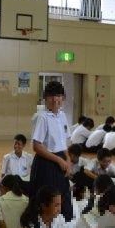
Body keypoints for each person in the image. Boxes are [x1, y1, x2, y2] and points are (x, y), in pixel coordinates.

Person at [28, 81, 75, 220]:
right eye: (51, 96)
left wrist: (68, 159)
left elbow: (63, 142)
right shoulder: (42, 117)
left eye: (58, 96)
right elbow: (37, 146)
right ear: (45, 98)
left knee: (63, 199)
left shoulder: (62, 116)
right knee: (46, 201)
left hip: (60, 161)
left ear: (63, 98)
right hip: (46, 163)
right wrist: (59, 160)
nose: (55, 100)